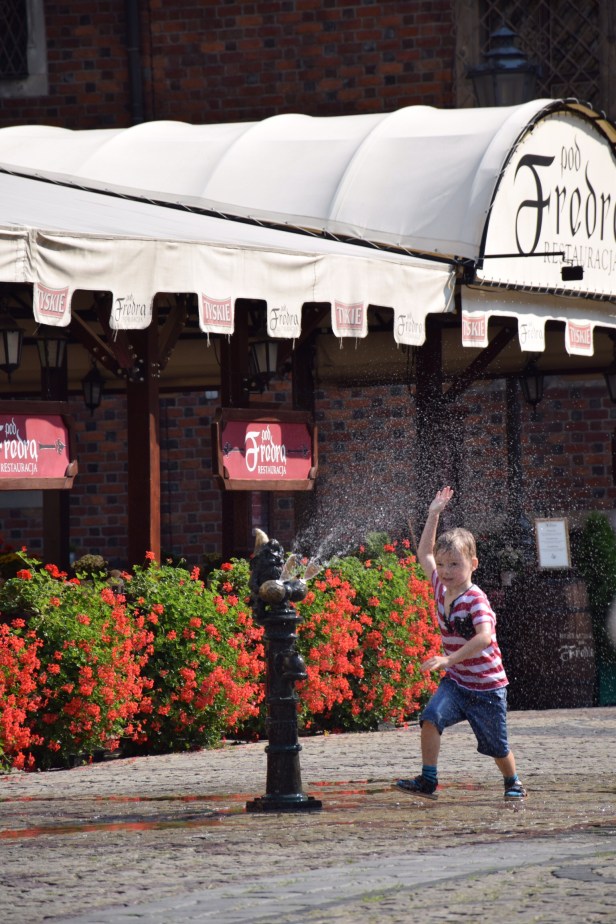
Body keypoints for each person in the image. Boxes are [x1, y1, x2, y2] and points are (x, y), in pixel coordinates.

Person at [396, 486, 526, 801]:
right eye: (442, 565)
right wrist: (433, 514)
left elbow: (484, 637)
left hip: (487, 688)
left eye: (455, 564)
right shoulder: (440, 588)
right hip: (456, 683)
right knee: (431, 718)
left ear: (473, 564)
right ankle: (428, 780)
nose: (446, 571)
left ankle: (513, 783)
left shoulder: (475, 599)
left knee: (496, 746)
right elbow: (424, 554)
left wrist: (448, 660)